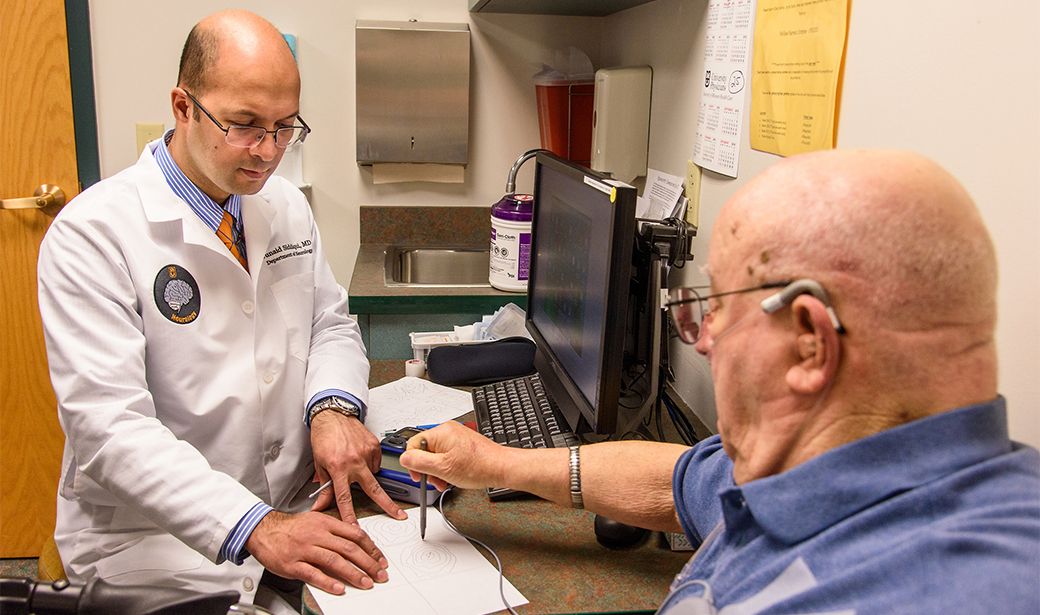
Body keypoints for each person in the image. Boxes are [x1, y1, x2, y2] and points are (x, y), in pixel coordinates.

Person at [401, 150, 1040, 614]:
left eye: (717, 310)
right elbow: (678, 480)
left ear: (811, 341)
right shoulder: (818, 470)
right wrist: (495, 463)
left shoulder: (975, 586)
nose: (702, 339)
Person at [37, 9, 406, 609]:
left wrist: (331, 409)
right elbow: (109, 429)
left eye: (285, 127)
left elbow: (328, 323)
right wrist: (255, 526)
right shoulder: (94, 233)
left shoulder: (283, 206)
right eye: (244, 125)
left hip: (296, 508)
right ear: (183, 106)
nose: (268, 151)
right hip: (157, 543)